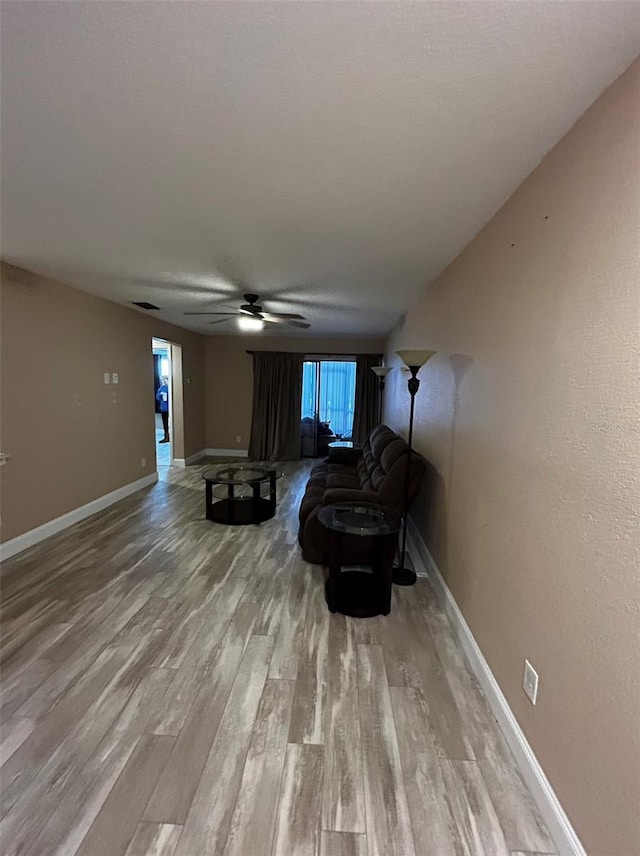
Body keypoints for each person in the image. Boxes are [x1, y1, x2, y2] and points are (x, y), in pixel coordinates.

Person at [156, 376, 170, 443]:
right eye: (163, 380)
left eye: (165, 379)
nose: (164, 381)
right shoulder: (161, 389)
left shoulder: (169, 388)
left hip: (169, 408)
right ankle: (166, 436)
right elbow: (158, 398)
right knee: (165, 423)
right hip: (163, 408)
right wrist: (160, 395)